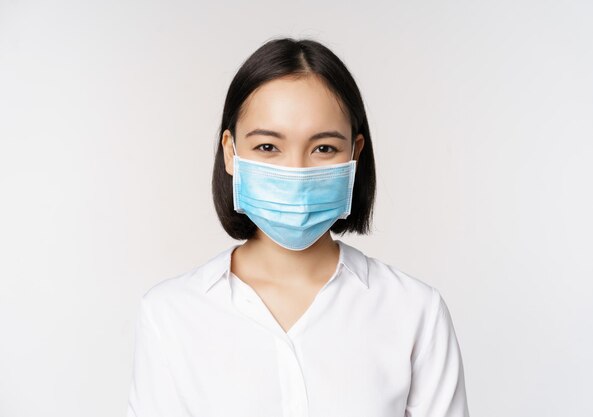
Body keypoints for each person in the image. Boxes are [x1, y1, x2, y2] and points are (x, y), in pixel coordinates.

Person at [126, 37, 470, 417]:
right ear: (230, 152)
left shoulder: (414, 311)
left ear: (354, 155)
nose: (297, 172)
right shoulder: (171, 313)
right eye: (268, 148)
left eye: (323, 148)